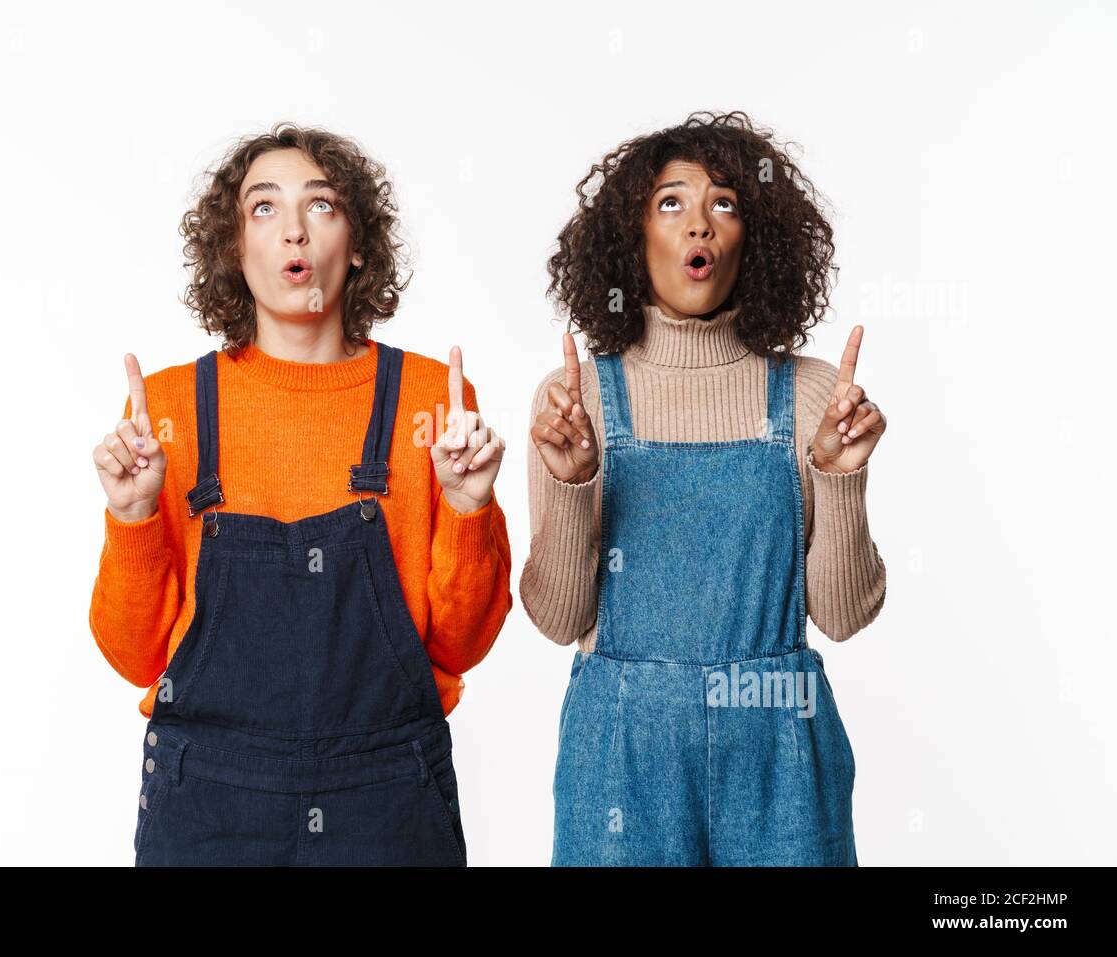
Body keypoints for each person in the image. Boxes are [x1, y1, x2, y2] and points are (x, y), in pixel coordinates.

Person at [89, 122, 511, 866]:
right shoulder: (168, 410)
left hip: (385, 802)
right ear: (234, 249)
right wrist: (131, 516)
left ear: (356, 244)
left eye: (320, 205)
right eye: (263, 208)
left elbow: (460, 645)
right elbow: (135, 656)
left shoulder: (430, 402)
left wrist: (470, 505)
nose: (292, 230)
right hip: (209, 804)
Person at [523, 111, 887, 866]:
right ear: (633, 239)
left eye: (724, 202)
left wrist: (840, 478)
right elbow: (560, 619)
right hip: (622, 745)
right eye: (671, 203)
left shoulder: (818, 396)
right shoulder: (576, 400)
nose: (700, 225)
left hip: (779, 738)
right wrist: (572, 482)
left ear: (754, 239)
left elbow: (844, 616)